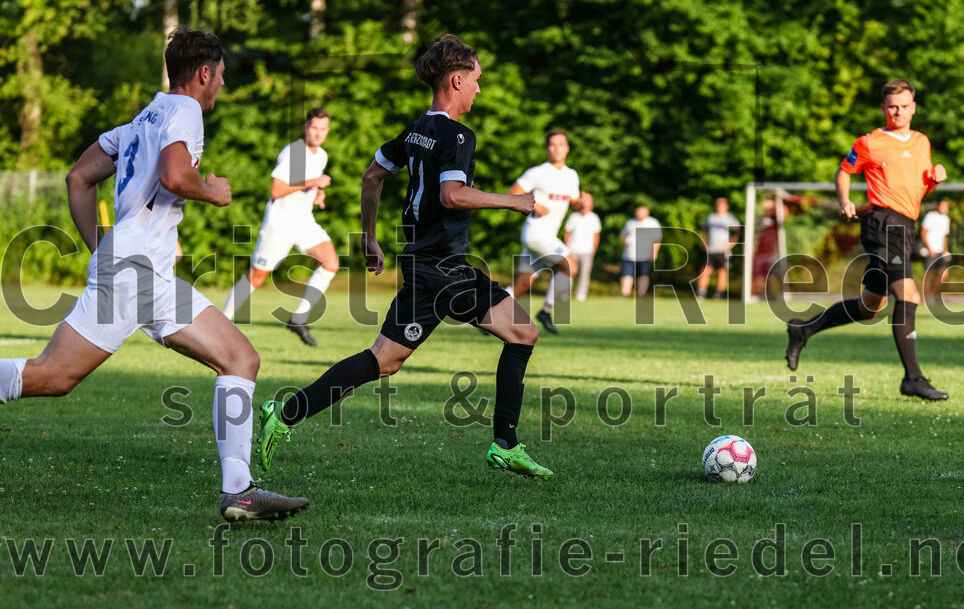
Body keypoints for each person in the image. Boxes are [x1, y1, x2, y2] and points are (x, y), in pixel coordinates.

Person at [0, 27, 309, 520]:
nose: (222, 86)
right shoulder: (185, 110)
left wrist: (101, 248)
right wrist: (212, 190)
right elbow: (173, 175)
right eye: (222, 76)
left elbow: (78, 178)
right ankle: (239, 488)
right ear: (204, 72)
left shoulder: (143, 117)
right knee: (52, 376)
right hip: (136, 270)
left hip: (146, 272)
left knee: (240, 358)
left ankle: (240, 491)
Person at [255, 34, 553, 479]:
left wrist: (369, 237)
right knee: (524, 333)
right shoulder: (456, 134)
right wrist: (515, 202)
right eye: (476, 80)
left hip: (420, 264)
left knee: (384, 359)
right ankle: (506, 444)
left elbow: (372, 175)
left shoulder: (415, 130)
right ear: (456, 79)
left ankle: (285, 412)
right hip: (445, 266)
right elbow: (452, 196)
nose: (478, 89)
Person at [785, 79, 949, 401]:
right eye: (891, 106)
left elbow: (919, 189)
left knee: (869, 308)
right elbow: (844, 170)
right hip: (883, 223)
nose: (897, 111)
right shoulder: (870, 142)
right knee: (909, 295)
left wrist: (933, 180)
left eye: (903, 105)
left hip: (905, 224)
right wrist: (845, 199)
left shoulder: (922, 143)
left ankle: (803, 329)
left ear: (913, 107)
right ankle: (913, 378)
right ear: (883, 108)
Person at [222, 109, 338, 347]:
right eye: (314, 128)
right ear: (306, 128)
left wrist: (317, 194)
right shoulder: (293, 153)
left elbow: (306, 186)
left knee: (331, 263)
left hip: (303, 221)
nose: (318, 133)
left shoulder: (321, 155)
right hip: (280, 224)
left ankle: (299, 318)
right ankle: (222, 323)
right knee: (256, 277)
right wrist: (313, 183)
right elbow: (276, 190)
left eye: (323, 129)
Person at [507, 130, 586, 334]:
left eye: (561, 144)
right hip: (536, 233)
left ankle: (487, 315)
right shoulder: (537, 172)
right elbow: (513, 193)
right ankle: (546, 311)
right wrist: (534, 205)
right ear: (547, 149)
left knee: (522, 285)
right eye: (553, 144)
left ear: (567, 148)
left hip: (547, 237)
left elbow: (575, 204)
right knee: (570, 266)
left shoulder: (571, 175)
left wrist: (581, 203)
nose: (557, 148)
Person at [697, 197, 740, 299]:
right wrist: (704, 243)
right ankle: (701, 293)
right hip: (711, 249)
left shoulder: (729, 218)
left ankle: (718, 294)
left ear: (726, 206)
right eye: (717, 204)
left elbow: (738, 231)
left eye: (721, 205)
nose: (719, 207)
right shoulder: (711, 217)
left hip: (723, 250)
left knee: (722, 271)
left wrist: (731, 243)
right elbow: (703, 230)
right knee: (705, 270)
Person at [564, 192, 601, 301]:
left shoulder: (594, 218)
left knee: (585, 273)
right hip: (572, 249)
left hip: (587, 250)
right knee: (569, 272)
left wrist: (594, 249)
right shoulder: (573, 217)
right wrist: (567, 248)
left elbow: (596, 235)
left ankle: (581, 293)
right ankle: (566, 293)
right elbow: (567, 233)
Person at [620, 205, 662, 297]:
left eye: (641, 212)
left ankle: (640, 295)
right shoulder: (630, 222)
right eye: (637, 211)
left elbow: (657, 239)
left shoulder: (652, 223)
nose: (638, 213)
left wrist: (654, 252)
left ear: (647, 213)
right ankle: (624, 294)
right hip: (629, 254)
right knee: (627, 274)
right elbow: (622, 236)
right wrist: (624, 242)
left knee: (643, 275)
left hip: (645, 254)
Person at [921, 199, 951, 301]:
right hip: (931, 250)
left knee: (943, 274)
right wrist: (930, 249)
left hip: (940, 252)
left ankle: (930, 294)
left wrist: (945, 250)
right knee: (928, 275)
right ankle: (926, 298)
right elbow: (924, 232)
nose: (944, 208)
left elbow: (944, 236)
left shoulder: (946, 219)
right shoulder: (931, 216)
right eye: (943, 205)